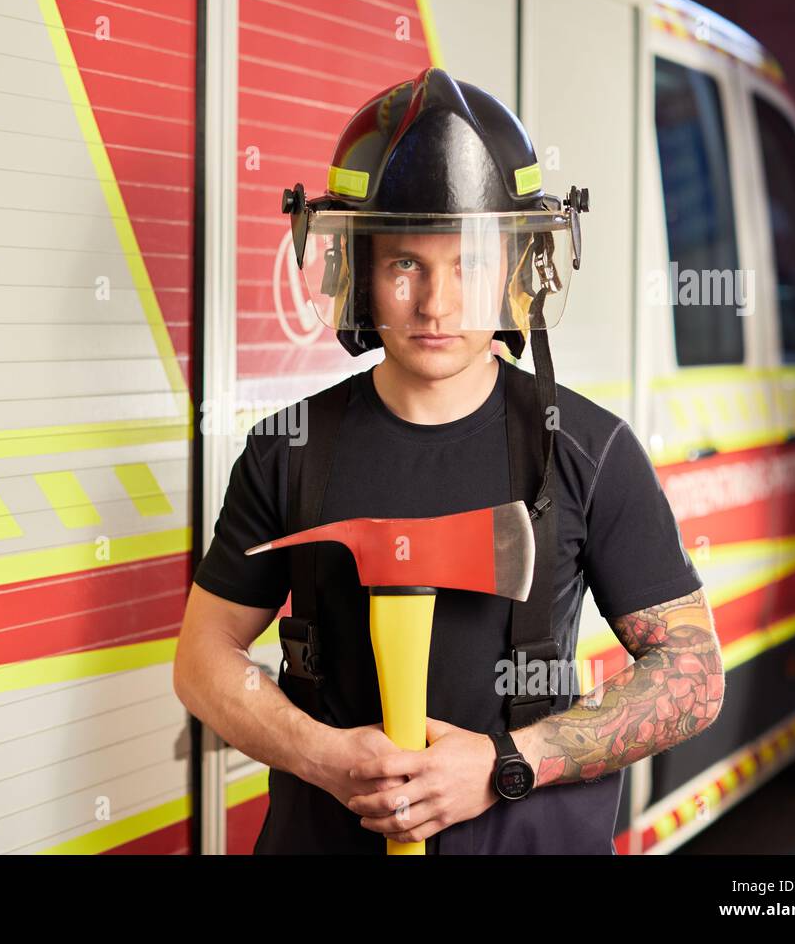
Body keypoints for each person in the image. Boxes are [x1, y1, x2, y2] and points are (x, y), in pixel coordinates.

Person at [173, 68, 725, 854]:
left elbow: (694, 675)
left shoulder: (586, 451)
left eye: (468, 263)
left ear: (517, 270)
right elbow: (201, 659)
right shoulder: (287, 449)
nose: (435, 303)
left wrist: (508, 763)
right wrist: (324, 759)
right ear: (357, 271)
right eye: (405, 264)